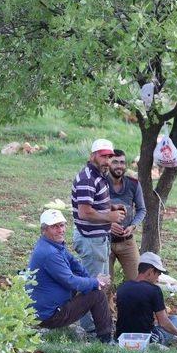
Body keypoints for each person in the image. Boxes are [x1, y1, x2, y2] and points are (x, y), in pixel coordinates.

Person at [28, 209, 113, 342]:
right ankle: (106, 340)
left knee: (93, 288)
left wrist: (91, 280)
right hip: (50, 315)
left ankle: (103, 335)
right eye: (54, 227)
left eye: (62, 225)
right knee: (98, 295)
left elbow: (74, 264)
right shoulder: (50, 253)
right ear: (44, 230)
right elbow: (70, 281)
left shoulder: (53, 245)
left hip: (51, 309)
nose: (60, 230)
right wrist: (96, 283)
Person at [71, 138, 126, 331]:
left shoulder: (98, 176)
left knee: (99, 285)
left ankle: (95, 325)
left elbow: (93, 204)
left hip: (98, 238)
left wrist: (110, 207)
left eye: (110, 156)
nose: (107, 160)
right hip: (90, 240)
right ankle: (87, 328)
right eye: (103, 156)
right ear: (93, 155)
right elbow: (84, 212)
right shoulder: (88, 178)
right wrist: (109, 216)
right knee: (91, 286)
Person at [115, 252, 177, 345]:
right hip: (146, 339)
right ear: (150, 272)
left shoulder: (122, 287)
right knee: (176, 319)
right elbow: (163, 323)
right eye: (158, 273)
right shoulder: (154, 290)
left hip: (122, 337)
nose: (158, 278)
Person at [107, 149, 146, 282]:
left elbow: (142, 210)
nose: (119, 166)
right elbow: (92, 211)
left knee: (137, 281)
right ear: (108, 164)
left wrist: (133, 226)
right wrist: (107, 225)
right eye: (115, 162)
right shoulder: (100, 183)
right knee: (105, 284)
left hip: (127, 241)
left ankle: (128, 302)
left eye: (122, 162)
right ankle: (107, 303)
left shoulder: (134, 184)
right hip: (104, 240)